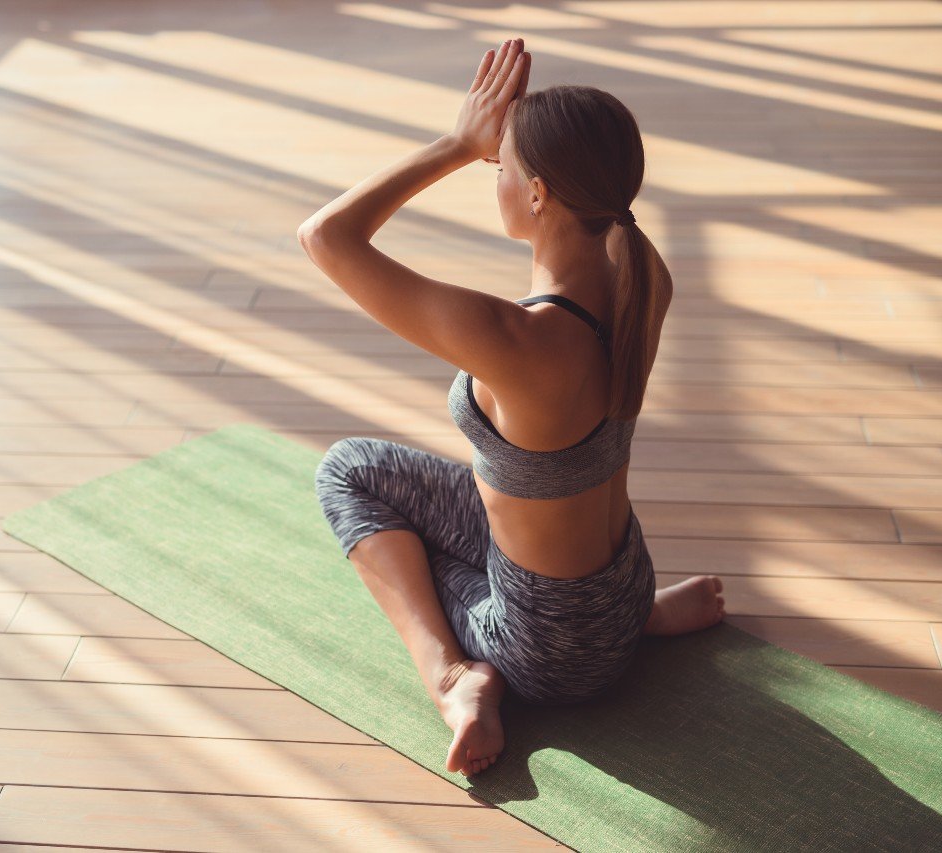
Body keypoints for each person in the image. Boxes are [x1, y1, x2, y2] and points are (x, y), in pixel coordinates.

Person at [299, 37, 725, 779]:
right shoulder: (639, 278)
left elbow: (325, 237)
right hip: (619, 590)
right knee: (485, 509)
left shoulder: (518, 339)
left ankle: (455, 678)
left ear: (537, 195)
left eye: (502, 170)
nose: (491, 178)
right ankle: (641, 620)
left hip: (548, 652)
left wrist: (457, 143)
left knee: (349, 473)